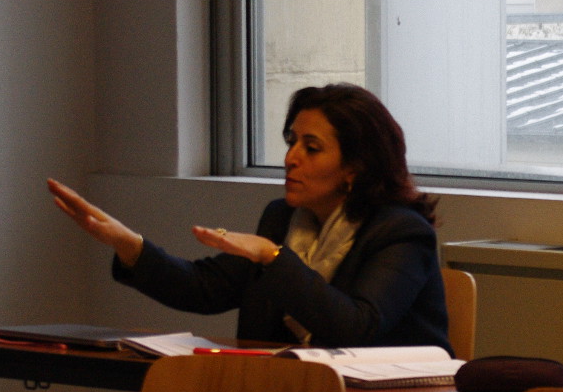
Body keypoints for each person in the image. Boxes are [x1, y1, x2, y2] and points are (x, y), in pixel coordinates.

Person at [48, 82, 449, 352]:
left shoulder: (400, 233)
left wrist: (273, 258)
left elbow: (356, 328)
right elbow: (205, 289)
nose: (290, 158)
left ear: (355, 167)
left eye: (311, 148)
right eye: (291, 142)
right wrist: (128, 245)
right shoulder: (283, 218)